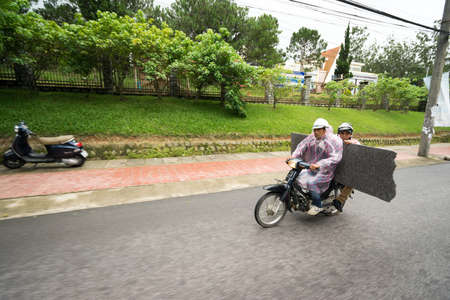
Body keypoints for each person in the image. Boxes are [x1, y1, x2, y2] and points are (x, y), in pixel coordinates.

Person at [291, 118, 343, 216]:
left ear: (324, 130)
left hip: (326, 170)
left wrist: (320, 164)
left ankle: (317, 204)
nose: (315, 132)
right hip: (313, 167)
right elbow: (301, 146)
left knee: (311, 182)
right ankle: (303, 199)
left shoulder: (332, 141)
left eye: (318, 129)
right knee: (297, 176)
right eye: (314, 130)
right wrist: (293, 157)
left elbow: (336, 157)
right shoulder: (312, 138)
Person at [332, 122, 360, 212]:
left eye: (347, 133)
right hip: (331, 165)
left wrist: (352, 143)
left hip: (344, 168)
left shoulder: (354, 142)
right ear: (338, 133)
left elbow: (360, 146)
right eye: (342, 133)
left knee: (352, 180)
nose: (344, 135)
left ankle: (340, 200)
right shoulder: (334, 139)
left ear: (351, 134)